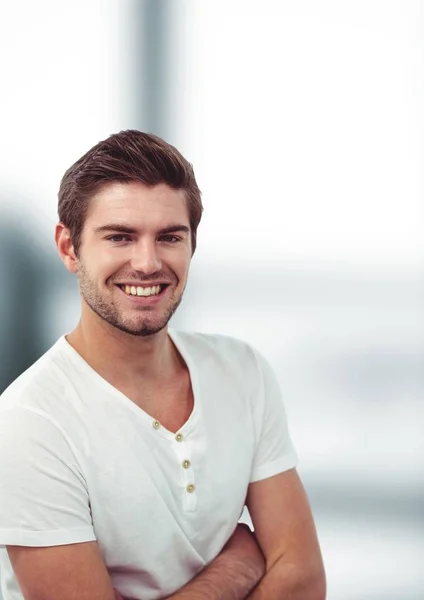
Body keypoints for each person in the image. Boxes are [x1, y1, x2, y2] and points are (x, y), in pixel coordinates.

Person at [0, 130, 326, 600]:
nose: (148, 262)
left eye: (169, 236)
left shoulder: (243, 372)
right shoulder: (30, 423)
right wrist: (238, 565)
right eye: (120, 237)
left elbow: (304, 580)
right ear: (69, 248)